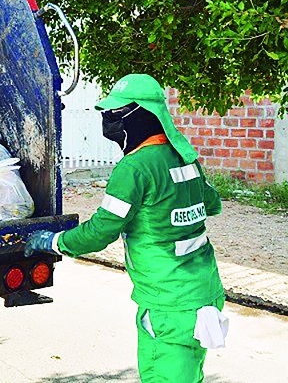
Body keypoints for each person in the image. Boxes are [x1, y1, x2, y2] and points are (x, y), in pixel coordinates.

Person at [25, 74, 228, 383]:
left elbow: (100, 231)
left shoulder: (134, 169)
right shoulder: (184, 157)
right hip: (204, 294)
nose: (109, 119)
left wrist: (54, 242)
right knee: (189, 374)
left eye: (117, 113)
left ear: (144, 116)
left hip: (167, 304)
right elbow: (212, 204)